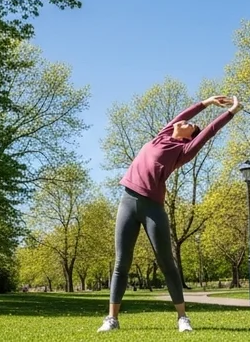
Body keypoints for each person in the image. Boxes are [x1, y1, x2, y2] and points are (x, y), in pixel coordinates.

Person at [98, 95, 242, 334]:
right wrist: (207, 102)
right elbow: (184, 115)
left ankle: (182, 318)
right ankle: (112, 319)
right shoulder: (163, 134)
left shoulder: (183, 151)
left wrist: (233, 111)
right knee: (121, 263)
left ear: (188, 136)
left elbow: (209, 131)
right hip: (127, 201)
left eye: (189, 126)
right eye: (183, 122)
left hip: (153, 208)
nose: (184, 122)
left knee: (167, 263)